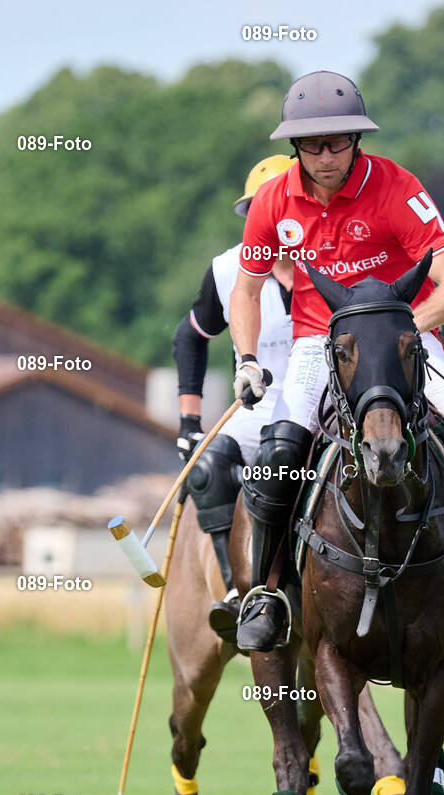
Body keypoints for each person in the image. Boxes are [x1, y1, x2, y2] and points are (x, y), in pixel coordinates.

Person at [229, 71, 444, 653]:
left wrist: (403, 331)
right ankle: (268, 592)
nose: (326, 155)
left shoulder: (395, 187)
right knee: (279, 454)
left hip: (407, 336)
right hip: (319, 343)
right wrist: (247, 359)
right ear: (294, 147)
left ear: (357, 141)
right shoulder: (273, 200)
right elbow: (246, 288)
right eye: (313, 145)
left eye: (338, 142)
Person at [171, 154, 296, 641]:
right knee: (205, 468)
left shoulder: (332, 264)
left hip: (327, 407)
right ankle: (238, 595)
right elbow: (190, 336)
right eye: (259, 209)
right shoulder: (228, 270)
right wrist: (189, 424)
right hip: (256, 409)